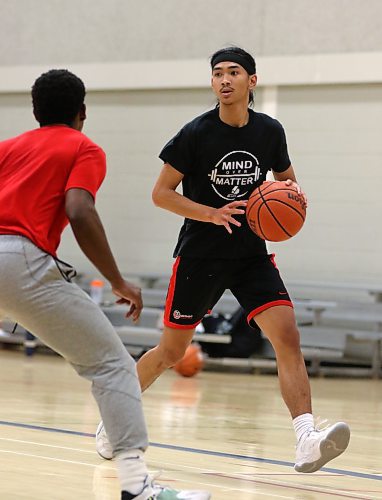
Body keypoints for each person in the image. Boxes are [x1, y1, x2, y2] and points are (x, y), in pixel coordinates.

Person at [96, 46, 350, 473]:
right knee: (171, 352)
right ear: (212, 83)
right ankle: (113, 419)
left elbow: (287, 181)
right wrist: (210, 213)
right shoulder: (195, 133)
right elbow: (160, 194)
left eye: (234, 72)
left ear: (252, 81)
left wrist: (292, 200)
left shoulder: (270, 131)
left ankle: (306, 439)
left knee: (287, 336)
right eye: (217, 73)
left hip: (250, 255)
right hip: (201, 254)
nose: (224, 80)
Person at [0, 69, 210, 500]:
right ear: (82, 111)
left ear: (35, 110)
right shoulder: (83, 147)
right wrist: (118, 280)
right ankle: (137, 486)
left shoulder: (6, 148)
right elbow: (78, 209)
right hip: (19, 259)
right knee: (113, 365)